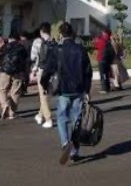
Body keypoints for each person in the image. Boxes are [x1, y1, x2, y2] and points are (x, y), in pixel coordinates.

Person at [55, 22, 92, 165]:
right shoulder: (80, 49)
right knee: (77, 119)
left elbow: (50, 68)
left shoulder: (58, 50)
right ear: (72, 34)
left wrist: (45, 82)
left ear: (60, 34)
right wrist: (87, 89)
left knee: (61, 117)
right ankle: (75, 150)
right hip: (78, 88)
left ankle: (65, 142)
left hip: (64, 89)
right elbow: (87, 71)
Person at [0, 32, 28, 119]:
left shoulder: (5, 46)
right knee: (15, 92)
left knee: (1, 89)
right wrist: (26, 73)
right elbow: (26, 62)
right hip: (19, 72)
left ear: (9, 38)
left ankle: (5, 104)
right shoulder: (22, 48)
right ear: (18, 39)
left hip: (5, 70)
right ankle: (12, 113)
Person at [30, 22, 56, 128]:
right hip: (52, 72)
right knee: (47, 94)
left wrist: (33, 71)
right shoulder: (54, 42)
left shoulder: (37, 41)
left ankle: (48, 119)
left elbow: (33, 57)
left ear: (41, 31)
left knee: (43, 95)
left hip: (42, 70)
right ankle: (40, 115)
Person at [93, 29, 114, 93]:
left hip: (102, 59)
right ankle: (108, 87)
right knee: (107, 74)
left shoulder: (101, 40)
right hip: (108, 59)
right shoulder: (108, 41)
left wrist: (95, 39)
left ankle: (104, 88)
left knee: (103, 74)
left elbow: (95, 45)